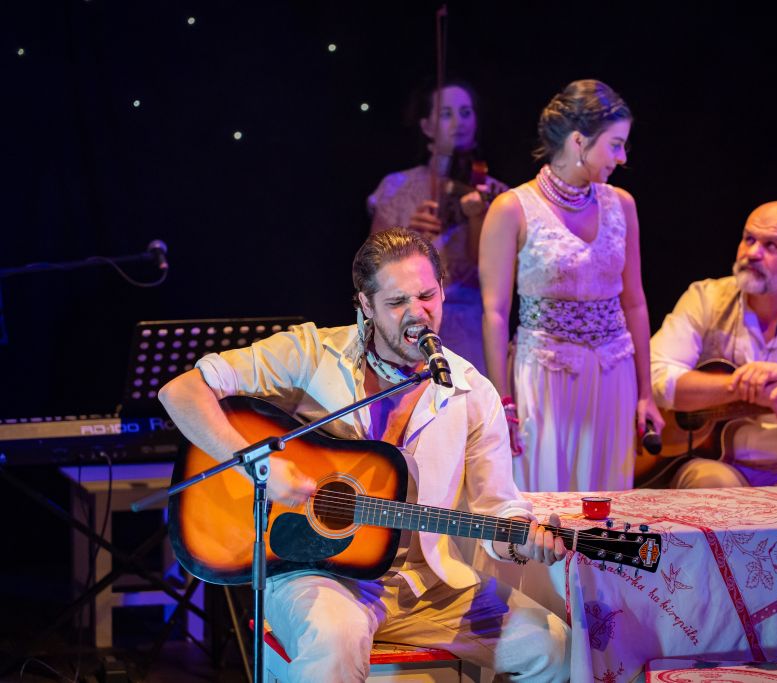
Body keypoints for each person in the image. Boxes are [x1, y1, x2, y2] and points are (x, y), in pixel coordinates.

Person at [158, 228, 570, 682]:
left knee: (555, 648)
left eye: (427, 296)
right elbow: (181, 392)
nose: (418, 313)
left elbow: (498, 507)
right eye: (397, 302)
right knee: (336, 638)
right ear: (365, 305)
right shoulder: (311, 353)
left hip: (428, 586)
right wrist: (260, 464)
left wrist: (520, 539)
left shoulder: (471, 390)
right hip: (316, 574)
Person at [479, 79, 663, 493]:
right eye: (615, 145)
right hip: (545, 375)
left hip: (614, 372)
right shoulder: (512, 208)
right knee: (546, 503)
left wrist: (645, 393)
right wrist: (501, 400)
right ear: (579, 141)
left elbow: (635, 302)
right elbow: (494, 312)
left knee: (608, 504)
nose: (622, 157)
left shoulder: (622, 204)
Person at [649, 200, 777, 489]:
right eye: (749, 239)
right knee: (714, 487)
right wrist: (744, 388)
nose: (752, 253)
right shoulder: (705, 298)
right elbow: (655, 377)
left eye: (771, 246)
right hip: (713, 462)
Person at [368, 81, 506, 373]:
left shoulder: (495, 193)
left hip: (473, 329)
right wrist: (407, 238)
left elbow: (493, 273)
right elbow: (371, 271)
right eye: (446, 114)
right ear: (427, 126)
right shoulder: (396, 187)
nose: (459, 122)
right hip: (410, 324)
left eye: (466, 112)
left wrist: (478, 219)